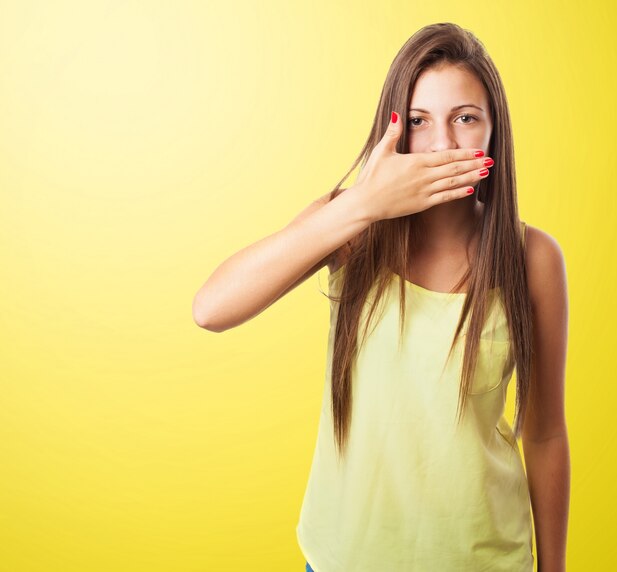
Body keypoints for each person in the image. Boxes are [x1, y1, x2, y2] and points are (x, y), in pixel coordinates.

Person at [193, 22, 570, 572]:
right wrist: (362, 204)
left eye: (465, 118)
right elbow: (212, 308)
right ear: (393, 130)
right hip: (344, 558)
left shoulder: (533, 257)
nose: (442, 144)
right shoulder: (350, 226)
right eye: (418, 122)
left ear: (494, 131)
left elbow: (546, 434)